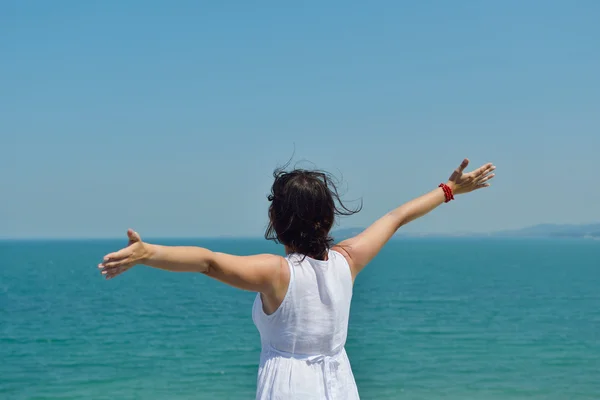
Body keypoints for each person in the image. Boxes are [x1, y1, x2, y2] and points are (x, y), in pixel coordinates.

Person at [99, 158, 495, 399]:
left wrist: (148, 253)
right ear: (328, 219)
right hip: (340, 387)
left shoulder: (278, 274)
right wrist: (448, 189)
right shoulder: (347, 261)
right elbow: (395, 218)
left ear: (276, 221)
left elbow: (208, 262)